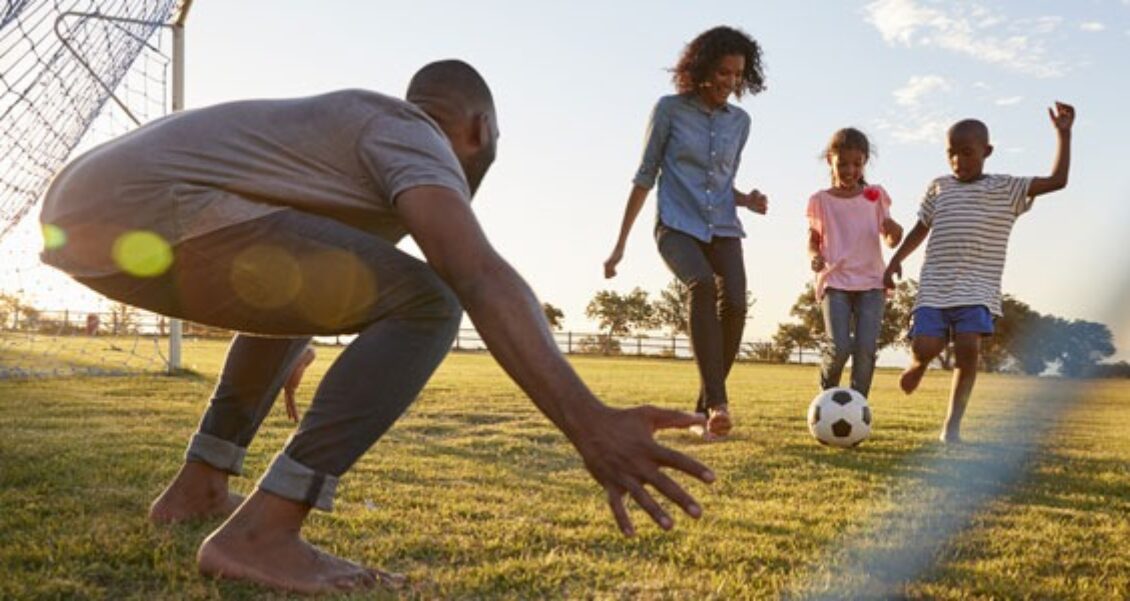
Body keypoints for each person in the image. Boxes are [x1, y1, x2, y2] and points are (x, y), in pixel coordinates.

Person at [39, 60, 716, 594]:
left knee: (328, 288)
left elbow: (290, 271)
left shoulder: (353, 145)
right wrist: (588, 422)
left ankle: (199, 487)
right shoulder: (409, 130)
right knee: (430, 301)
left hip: (86, 214)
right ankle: (261, 536)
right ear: (478, 129)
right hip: (147, 204)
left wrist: (294, 328)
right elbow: (475, 271)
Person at [603, 26, 768, 440]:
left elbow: (718, 182)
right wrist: (620, 244)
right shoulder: (669, 110)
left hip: (724, 226)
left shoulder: (740, 122)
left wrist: (747, 198)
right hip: (676, 225)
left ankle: (704, 409)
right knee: (700, 284)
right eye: (723, 73)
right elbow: (645, 176)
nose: (730, 84)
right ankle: (718, 403)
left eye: (737, 75)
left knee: (735, 301)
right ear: (701, 69)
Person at [884, 102, 1075, 443]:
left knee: (968, 347)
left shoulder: (1006, 188)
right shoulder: (939, 186)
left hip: (978, 288)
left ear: (986, 151)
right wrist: (896, 259)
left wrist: (1063, 134)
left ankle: (952, 425)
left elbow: (1058, 181)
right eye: (951, 154)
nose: (958, 161)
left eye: (967, 153)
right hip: (935, 287)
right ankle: (918, 364)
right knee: (926, 346)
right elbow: (920, 227)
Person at [807, 128, 903, 398]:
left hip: (872, 282)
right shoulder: (821, 201)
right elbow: (813, 240)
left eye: (857, 164)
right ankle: (826, 400)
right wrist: (814, 256)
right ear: (830, 161)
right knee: (838, 348)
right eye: (843, 164)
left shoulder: (875, 196)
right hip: (835, 281)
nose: (850, 170)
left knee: (865, 349)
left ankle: (857, 405)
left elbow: (891, 239)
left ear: (865, 162)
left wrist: (895, 230)